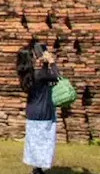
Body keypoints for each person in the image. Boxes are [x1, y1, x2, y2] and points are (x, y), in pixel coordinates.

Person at [16, 42, 60, 174]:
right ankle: (39, 170)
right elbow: (57, 77)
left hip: (32, 112)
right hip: (44, 112)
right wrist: (51, 62)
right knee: (45, 143)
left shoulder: (26, 76)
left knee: (35, 143)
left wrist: (45, 64)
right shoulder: (39, 75)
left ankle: (37, 169)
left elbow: (46, 77)